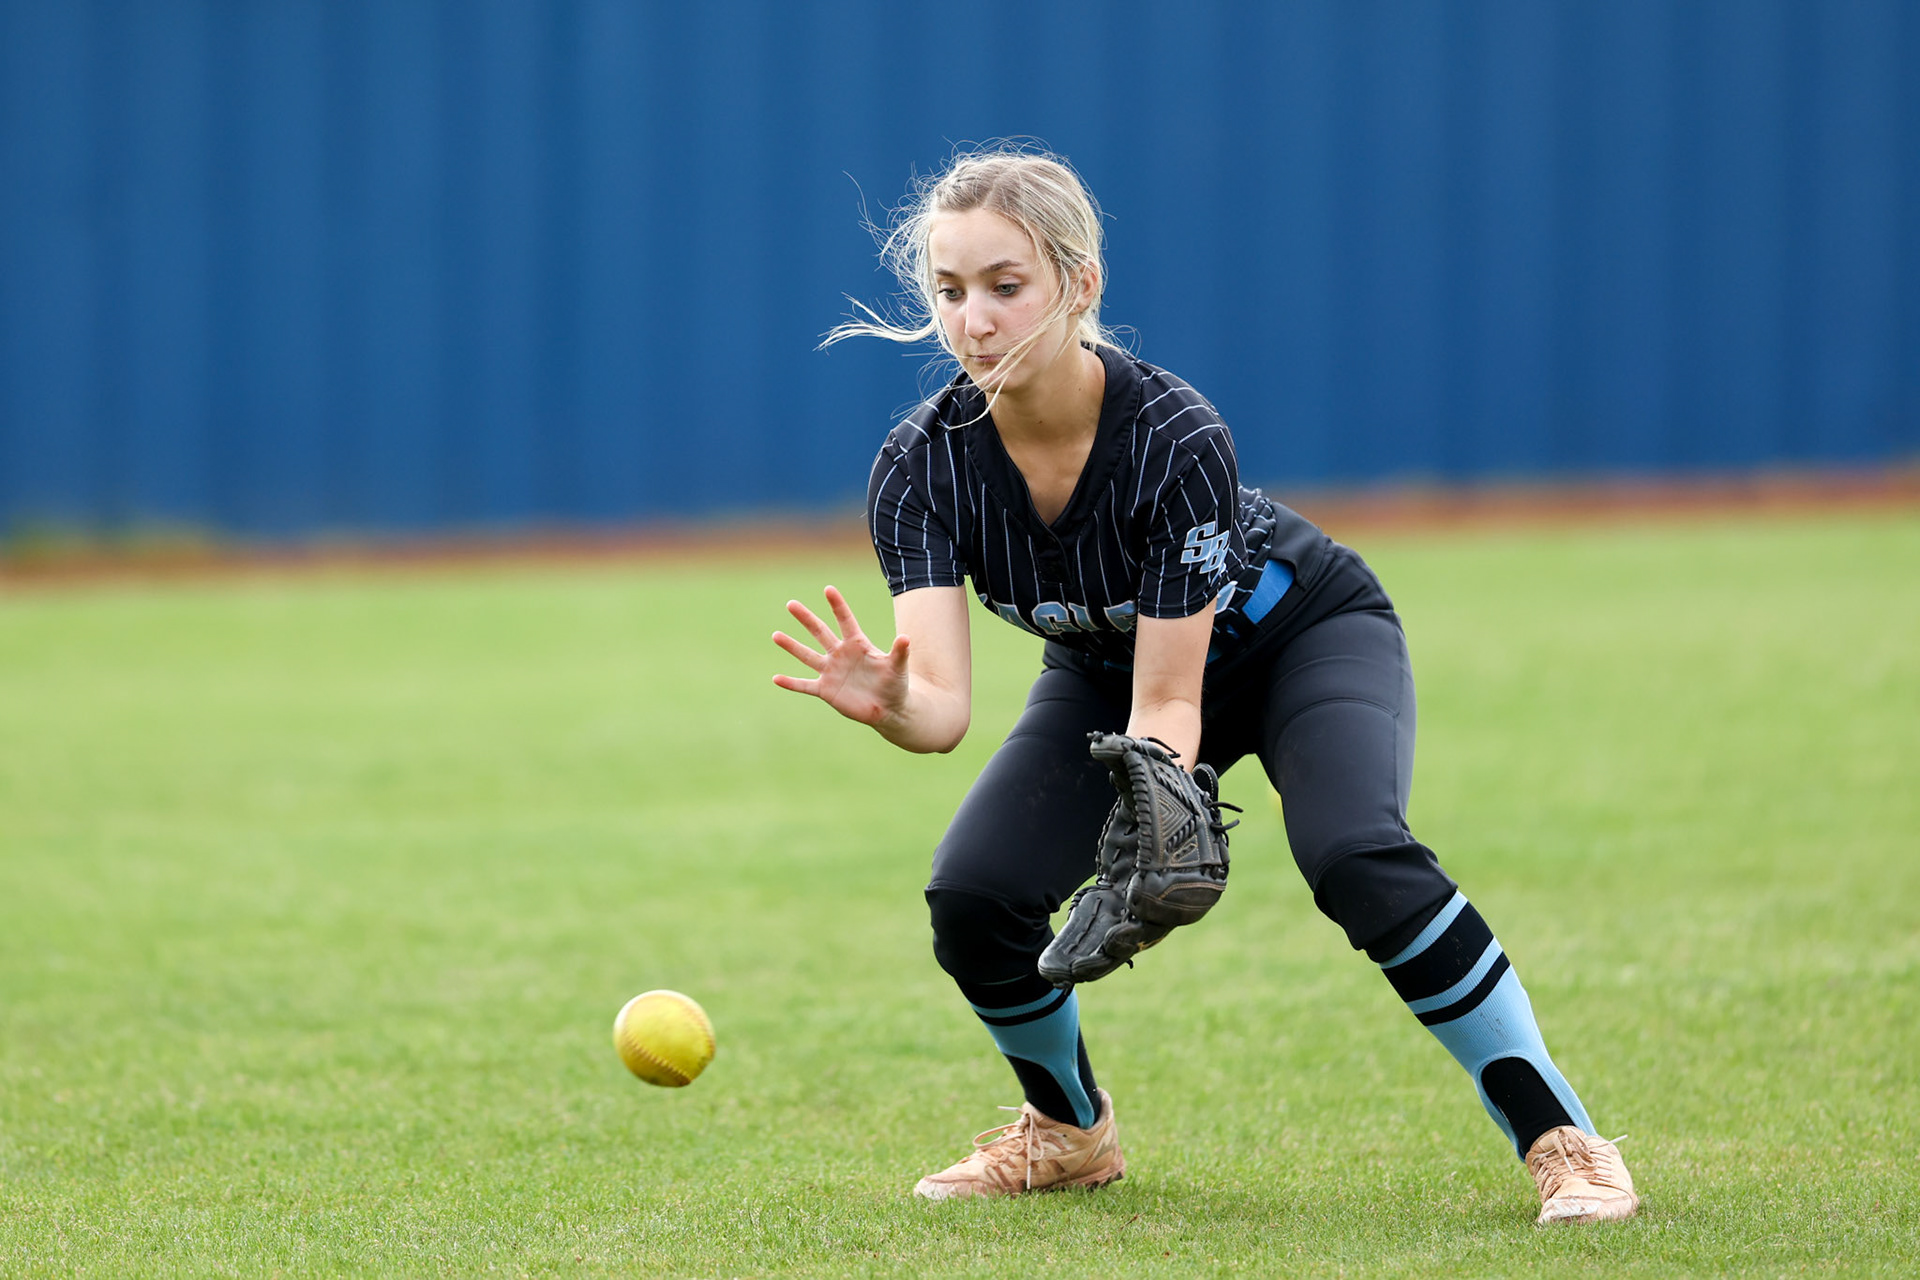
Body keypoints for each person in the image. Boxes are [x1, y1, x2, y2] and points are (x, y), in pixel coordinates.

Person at [771, 146, 1638, 1224]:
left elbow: (1174, 703)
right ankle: (1069, 1129)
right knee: (975, 895)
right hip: (1107, 674)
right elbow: (942, 708)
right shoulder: (921, 465)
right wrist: (894, 702)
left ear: (1081, 285)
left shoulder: (1173, 435)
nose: (975, 320)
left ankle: (1564, 1137)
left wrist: (1156, 811)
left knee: (1354, 853)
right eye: (950, 291)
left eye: (1007, 285)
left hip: (1295, 634)